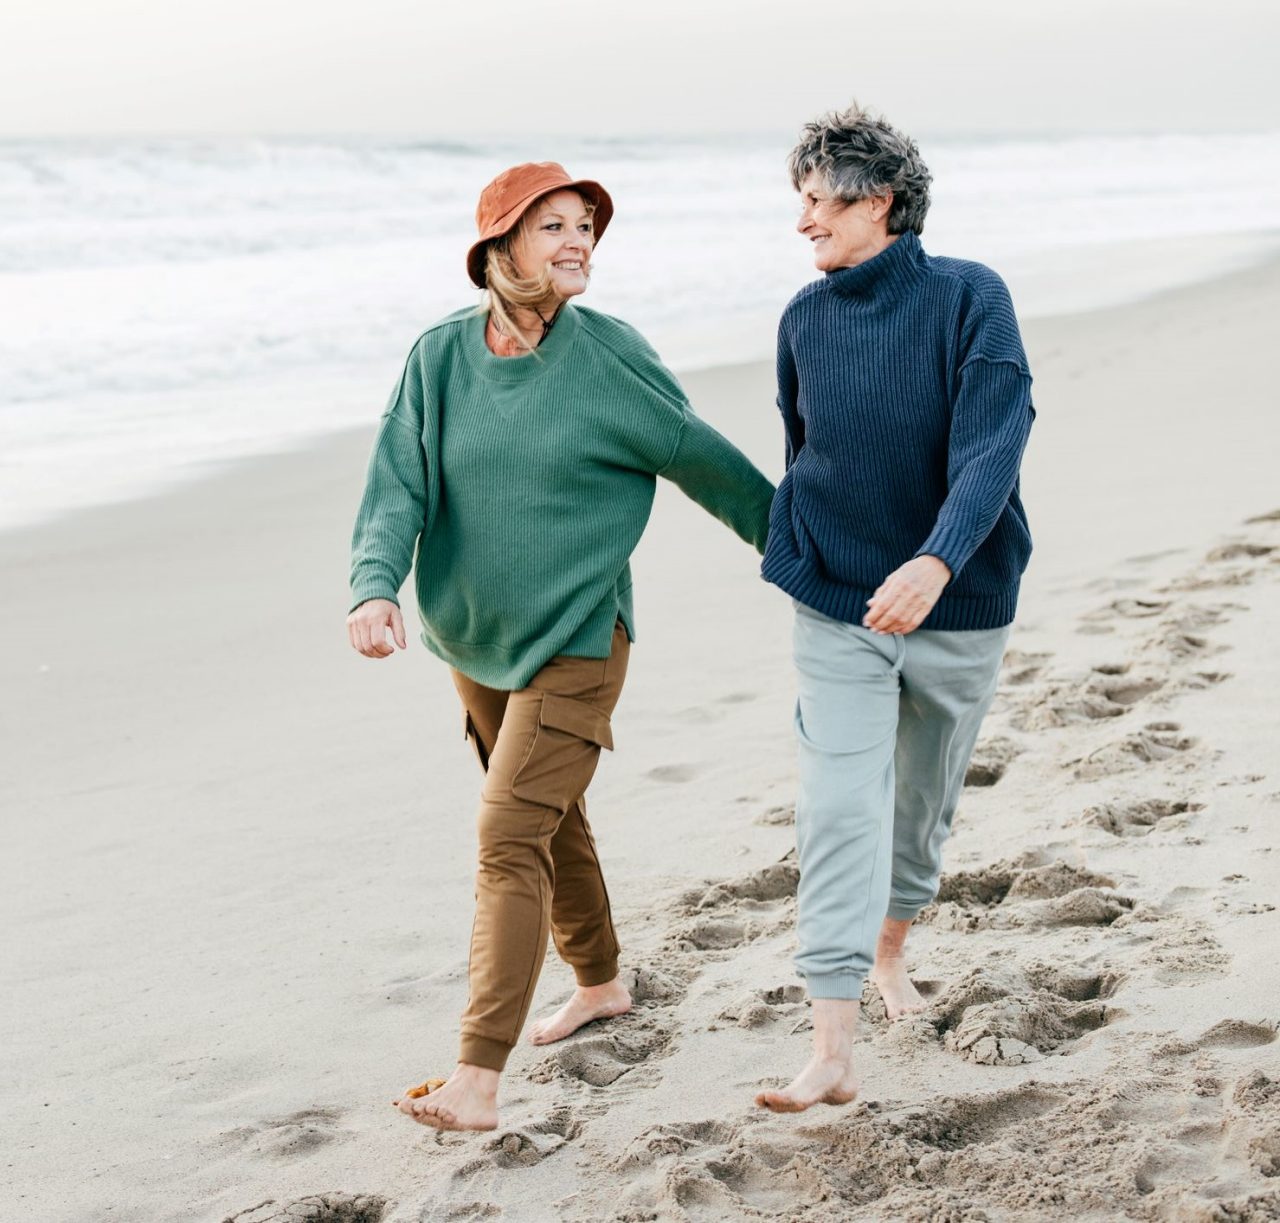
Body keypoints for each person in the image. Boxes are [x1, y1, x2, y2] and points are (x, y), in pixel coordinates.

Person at [346, 162, 775, 1132]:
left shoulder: (608, 356)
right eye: (552, 226)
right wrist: (373, 583)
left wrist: (809, 558)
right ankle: (601, 980)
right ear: (497, 248)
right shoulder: (437, 358)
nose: (576, 240)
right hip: (474, 640)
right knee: (550, 812)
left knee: (507, 833)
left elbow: (706, 462)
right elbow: (396, 484)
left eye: (584, 225)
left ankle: (475, 1074)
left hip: (580, 637)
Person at [755, 105, 1035, 1113]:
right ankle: (830, 1039)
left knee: (916, 810)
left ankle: (888, 953)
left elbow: (992, 446)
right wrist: (800, 550)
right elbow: (806, 447)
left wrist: (934, 559)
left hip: (956, 604)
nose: (801, 222)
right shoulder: (801, 317)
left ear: (876, 198)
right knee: (836, 802)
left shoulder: (970, 296)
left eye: (816, 199)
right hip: (835, 600)